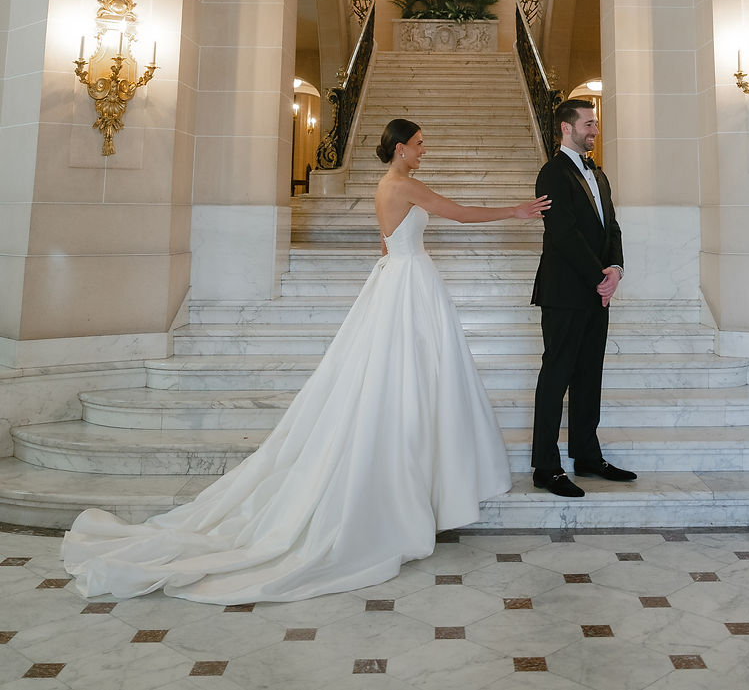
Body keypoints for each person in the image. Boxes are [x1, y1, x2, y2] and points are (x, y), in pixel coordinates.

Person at [61, 118, 549, 603]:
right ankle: (413, 489)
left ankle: (421, 483)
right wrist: (517, 211)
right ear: (401, 148)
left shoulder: (385, 186)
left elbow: (385, 244)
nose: (425, 151)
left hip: (396, 278)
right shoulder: (405, 185)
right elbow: (459, 214)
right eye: (420, 144)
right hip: (410, 281)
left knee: (406, 379)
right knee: (412, 381)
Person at [530, 98, 636, 496]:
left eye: (594, 124)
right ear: (565, 127)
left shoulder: (600, 173)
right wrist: (599, 277)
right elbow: (564, 234)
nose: (594, 130)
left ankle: (588, 457)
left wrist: (616, 270)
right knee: (556, 377)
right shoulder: (551, 173)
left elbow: (613, 228)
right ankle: (546, 466)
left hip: (597, 293)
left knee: (590, 376)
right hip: (565, 292)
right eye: (588, 124)